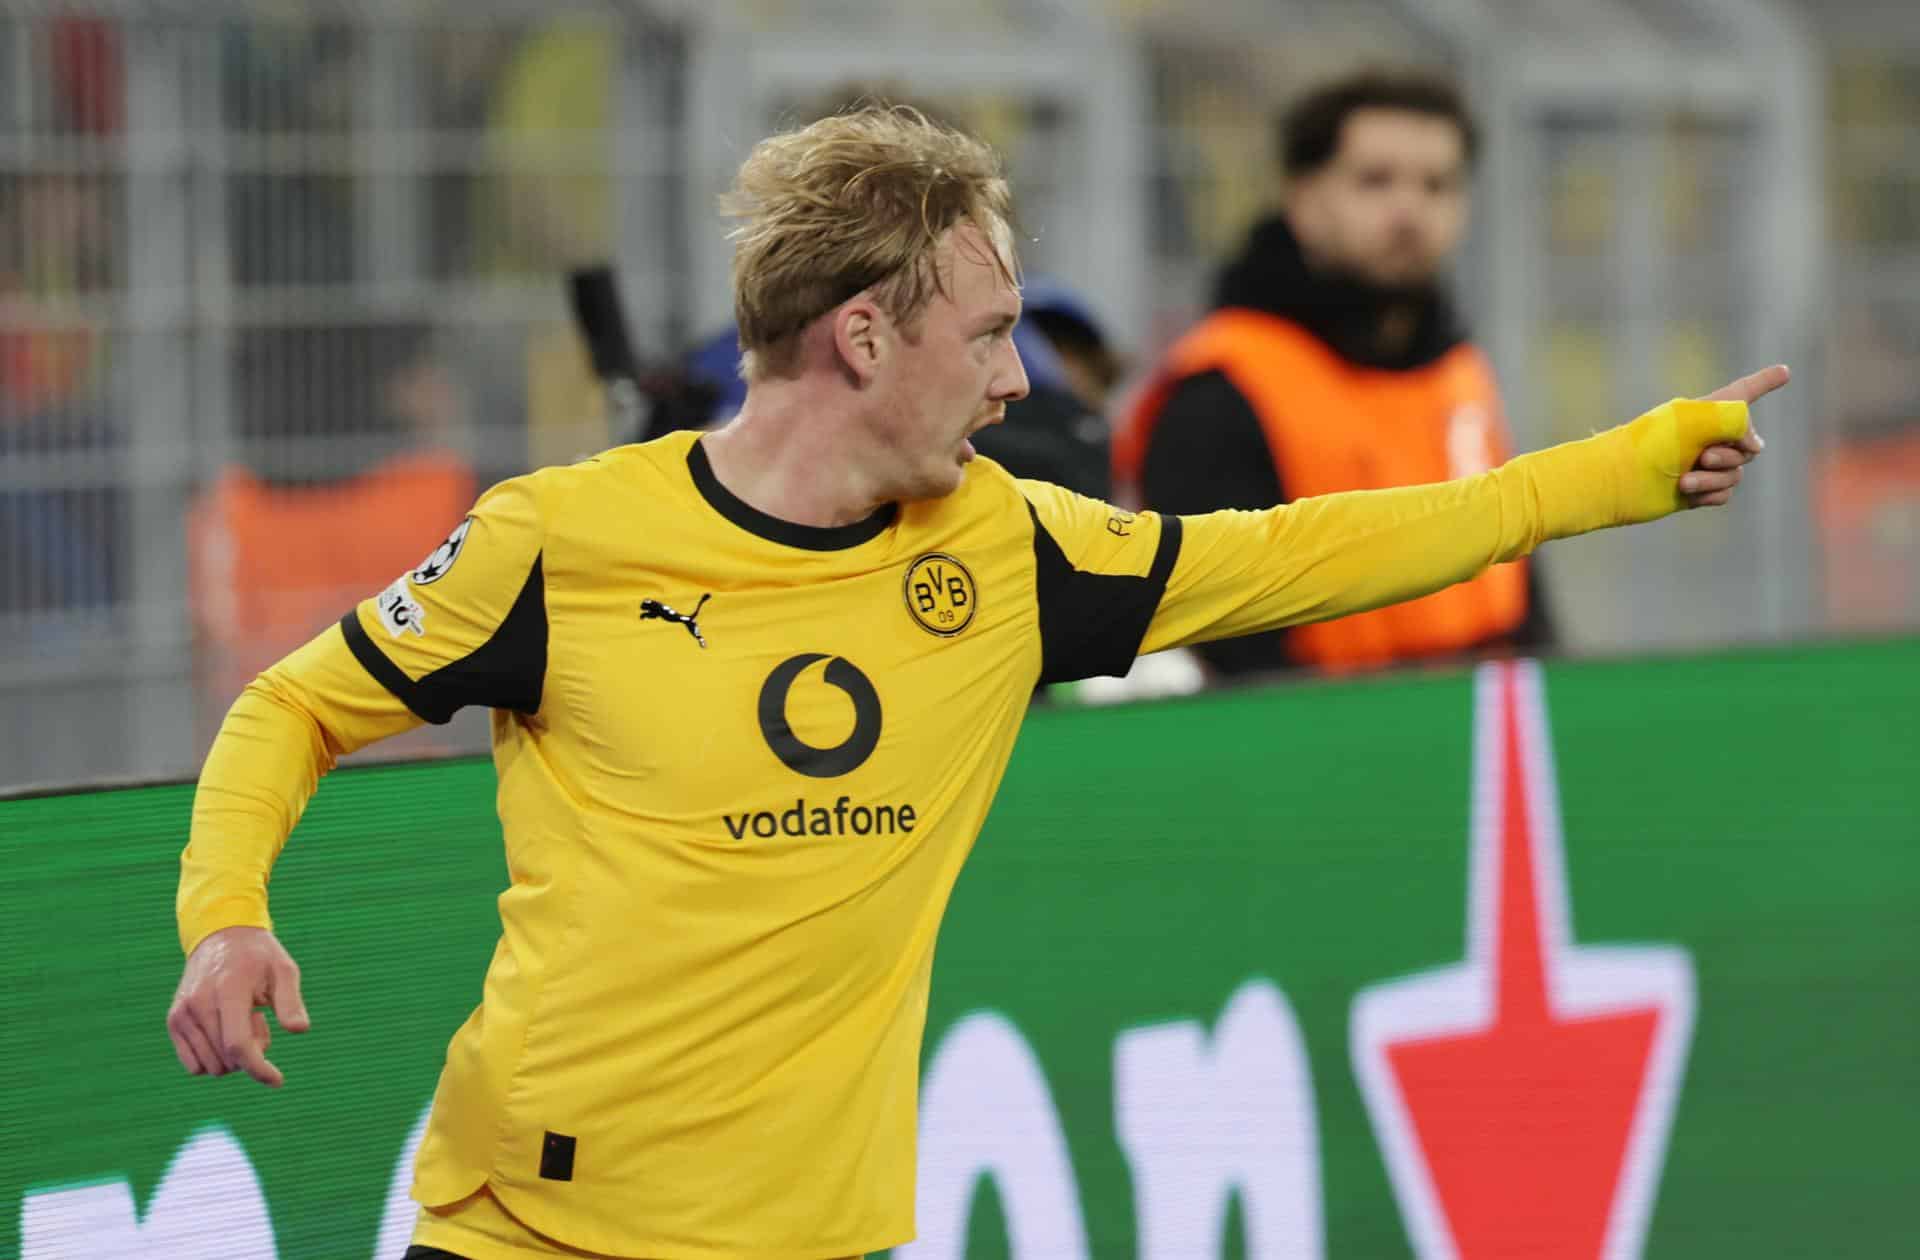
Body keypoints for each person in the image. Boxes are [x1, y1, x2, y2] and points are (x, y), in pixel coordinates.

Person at [166, 105, 1781, 1260]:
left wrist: (1619, 470)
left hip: (827, 1237)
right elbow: (291, 706)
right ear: (866, 339)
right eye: (993, 334)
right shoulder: (561, 542)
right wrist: (227, 914)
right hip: (538, 1230)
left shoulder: (1008, 552)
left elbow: (1309, 551)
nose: (1021, 382)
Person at [1116, 68, 1552, 678]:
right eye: (1375, 181)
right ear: (1303, 198)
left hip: (1487, 715)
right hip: (1326, 724)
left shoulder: (1458, 371)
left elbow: (1524, 593)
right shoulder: (1224, 387)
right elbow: (1232, 646)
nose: (1410, 210)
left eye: (1438, 185)